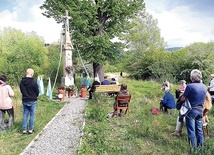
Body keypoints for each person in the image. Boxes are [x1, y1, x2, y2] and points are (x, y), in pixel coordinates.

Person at [180, 69, 207, 151]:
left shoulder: (190, 86)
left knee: (191, 131)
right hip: (200, 111)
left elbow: (183, 98)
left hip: (191, 111)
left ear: (192, 78)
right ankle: (201, 148)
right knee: (199, 130)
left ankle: (194, 150)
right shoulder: (204, 86)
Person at [20, 68, 39, 134]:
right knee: (32, 115)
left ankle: (24, 130)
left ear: (26, 73)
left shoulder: (21, 82)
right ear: (32, 74)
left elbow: (21, 91)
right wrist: (35, 96)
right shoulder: (34, 82)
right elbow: (37, 92)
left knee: (25, 115)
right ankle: (30, 130)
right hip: (32, 100)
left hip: (25, 100)